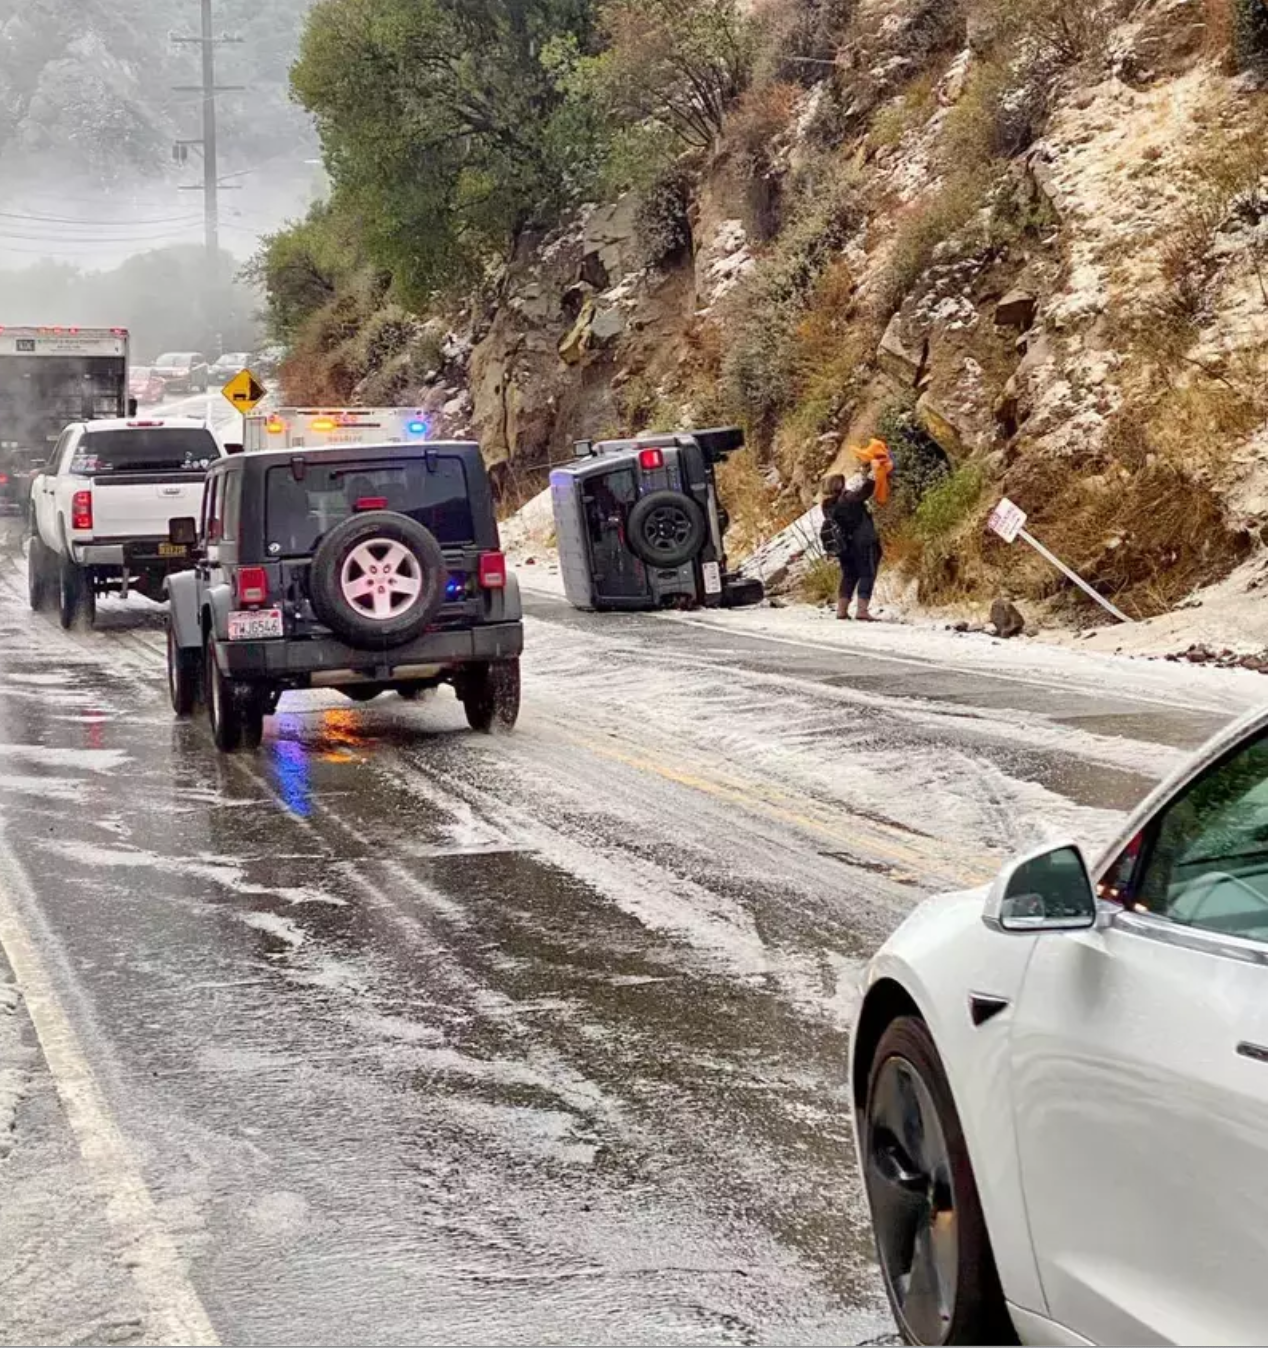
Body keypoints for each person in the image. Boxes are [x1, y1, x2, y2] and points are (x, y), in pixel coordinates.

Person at [828, 440, 892, 621]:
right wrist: (873, 474)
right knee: (867, 573)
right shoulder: (847, 499)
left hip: (843, 547)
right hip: (862, 543)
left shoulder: (828, 506)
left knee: (849, 575)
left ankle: (841, 611)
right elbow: (865, 492)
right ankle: (862, 611)